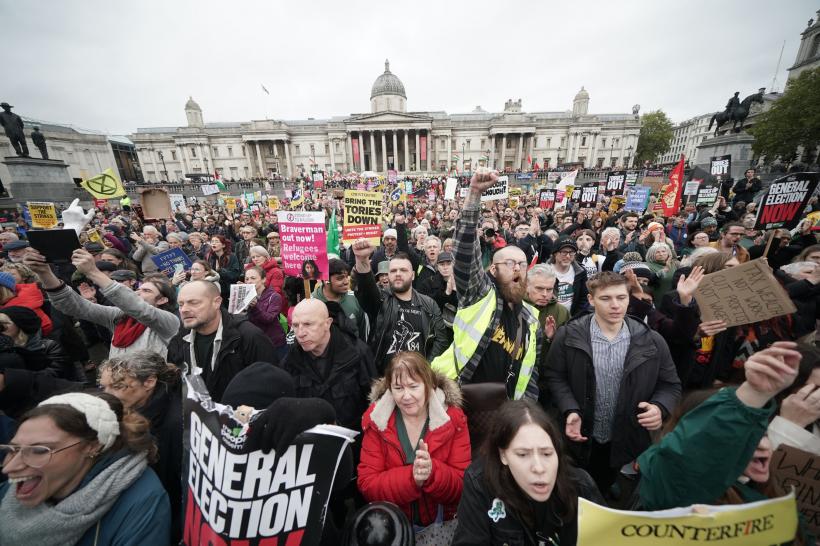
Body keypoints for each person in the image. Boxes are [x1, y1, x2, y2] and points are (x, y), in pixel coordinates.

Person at [637, 342, 814, 544]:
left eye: (762, 433)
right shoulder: (683, 498)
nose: (765, 445)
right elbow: (685, 466)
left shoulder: (771, 500)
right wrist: (754, 394)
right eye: (743, 436)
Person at [544, 271, 681, 493]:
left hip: (623, 434)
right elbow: (555, 376)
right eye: (605, 298)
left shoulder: (651, 340)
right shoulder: (568, 335)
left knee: (607, 475)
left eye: (621, 298)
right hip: (580, 435)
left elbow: (670, 384)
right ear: (591, 300)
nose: (615, 305)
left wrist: (660, 407)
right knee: (574, 483)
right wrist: (570, 408)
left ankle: (606, 486)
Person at [0, 392, 171, 545]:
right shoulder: (15, 487)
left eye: (39, 451)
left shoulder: (141, 502)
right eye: (13, 449)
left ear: (93, 446)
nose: (9, 468)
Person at [431, 170, 541, 401]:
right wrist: (474, 196)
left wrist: (526, 415)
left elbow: (529, 375)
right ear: (493, 269)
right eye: (510, 263)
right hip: (459, 404)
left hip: (504, 416)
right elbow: (464, 254)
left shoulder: (532, 321)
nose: (517, 269)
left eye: (522, 263)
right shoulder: (480, 296)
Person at [453, 400, 603, 546]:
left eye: (547, 454)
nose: (539, 468)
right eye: (523, 455)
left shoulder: (580, 486)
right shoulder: (480, 484)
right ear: (503, 455)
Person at [358, 352, 470, 530]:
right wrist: (412, 478)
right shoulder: (377, 421)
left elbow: (462, 486)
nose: (406, 396)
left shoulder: (453, 420)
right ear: (389, 388)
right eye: (398, 388)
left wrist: (433, 473)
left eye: (413, 386)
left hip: (441, 525)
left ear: (429, 385)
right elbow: (368, 484)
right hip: (393, 526)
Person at [24, 248, 180, 358]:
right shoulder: (119, 317)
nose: (138, 292)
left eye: (147, 291)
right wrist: (44, 272)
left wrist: (92, 272)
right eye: (139, 289)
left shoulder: (169, 322)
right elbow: (75, 307)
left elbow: (140, 309)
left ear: (162, 300)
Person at [97, 351, 183, 542]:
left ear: (149, 382)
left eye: (118, 386)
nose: (107, 395)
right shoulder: (125, 408)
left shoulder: (176, 424)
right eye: (103, 387)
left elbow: (177, 485)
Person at [168, 280, 276, 402]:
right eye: (181, 304)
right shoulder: (178, 340)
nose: (184, 310)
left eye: (193, 303)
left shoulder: (249, 337)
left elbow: (270, 387)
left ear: (216, 302)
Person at [277, 299, 376, 432]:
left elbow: (375, 402)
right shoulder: (290, 362)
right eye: (295, 325)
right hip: (310, 442)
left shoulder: (357, 353)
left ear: (327, 323)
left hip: (354, 443)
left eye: (308, 324)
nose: (300, 333)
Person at [353, 243, 449, 373]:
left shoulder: (429, 304)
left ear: (413, 275)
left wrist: (425, 370)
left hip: (418, 380)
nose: (398, 274)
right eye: (393, 271)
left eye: (403, 270)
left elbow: (441, 341)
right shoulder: (380, 299)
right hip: (384, 380)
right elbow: (366, 287)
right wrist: (362, 260)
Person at [312, 258, 367, 340]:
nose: (346, 282)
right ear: (326, 280)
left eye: (346, 276)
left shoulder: (355, 300)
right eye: (340, 278)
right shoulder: (310, 303)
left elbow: (363, 335)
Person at [244, 266, 287, 360]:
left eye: (253, 278)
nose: (249, 281)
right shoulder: (246, 296)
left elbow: (269, 318)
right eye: (246, 279)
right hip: (256, 343)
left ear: (263, 279)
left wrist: (255, 307)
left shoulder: (274, 297)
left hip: (274, 343)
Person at [551, 237, 589, 316]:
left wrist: (576, 317)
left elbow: (584, 298)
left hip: (572, 319)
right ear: (555, 253)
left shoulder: (580, 272)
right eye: (564, 252)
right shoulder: (544, 271)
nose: (568, 256)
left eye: (571, 252)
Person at [206, 235, 242, 302]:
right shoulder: (209, 257)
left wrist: (220, 271)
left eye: (216, 241)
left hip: (228, 292)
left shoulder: (232, 256)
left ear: (223, 245)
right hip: (214, 290)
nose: (213, 243)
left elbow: (235, 275)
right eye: (212, 241)